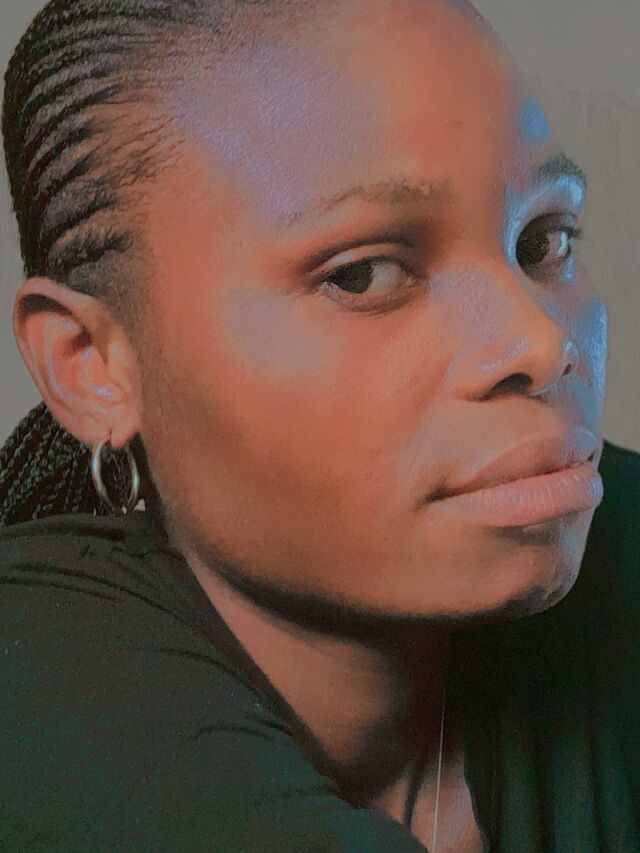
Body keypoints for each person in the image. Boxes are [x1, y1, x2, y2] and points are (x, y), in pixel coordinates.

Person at [0, 0, 637, 850]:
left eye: (543, 240)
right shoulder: (36, 687)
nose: (542, 341)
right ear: (91, 363)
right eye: (364, 274)